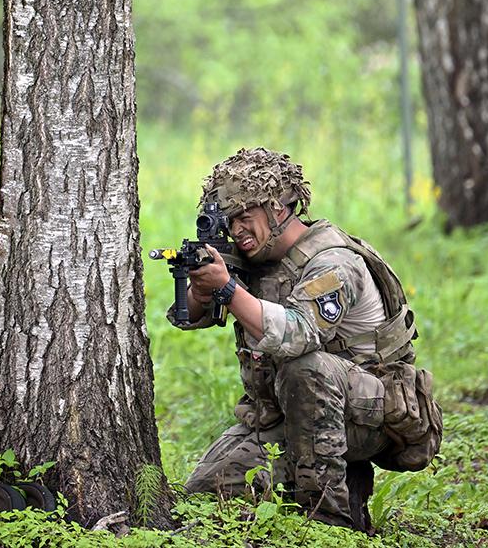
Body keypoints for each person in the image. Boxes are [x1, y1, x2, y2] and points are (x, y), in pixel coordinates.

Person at [171, 147, 423, 530]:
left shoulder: (332, 262)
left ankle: (331, 519)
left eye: (244, 216)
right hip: (290, 415)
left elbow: (298, 335)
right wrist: (204, 289)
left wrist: (228, 290)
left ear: (278, 208)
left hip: (368, 419)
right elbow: (191, 318)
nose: (237, 230)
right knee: (206, 494)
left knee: (306, 366)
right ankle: (316, 482)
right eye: (229, 220)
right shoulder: (257, 259)